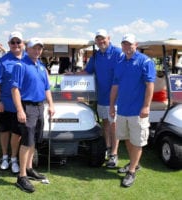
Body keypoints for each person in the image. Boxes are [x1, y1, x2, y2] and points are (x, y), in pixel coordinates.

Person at [110, 33, 156, 187]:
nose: (127, 47)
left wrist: (146, 106)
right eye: (124, 44)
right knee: (127, 138)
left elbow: (150, 85)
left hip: (138, 111)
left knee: (137, 141)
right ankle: (133, 164)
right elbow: (115, 86)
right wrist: (111, 105)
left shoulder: (145, 61)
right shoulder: (120, 61)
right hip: (122, 109)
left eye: (130, 44)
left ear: (136, 44)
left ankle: (131, 172)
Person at [11, 38, 55, 193]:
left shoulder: (41, 67)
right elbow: (15, 90)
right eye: (34, 48)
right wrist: (20, 110)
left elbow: (46, 88)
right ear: (27, 49)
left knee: (34, 140)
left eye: (39, 48)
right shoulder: (20, 65)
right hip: (27, 107)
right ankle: (21, 176)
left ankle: (29, 169)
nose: (37, 51)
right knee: (26, 141)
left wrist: (51, 104)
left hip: (39, 107)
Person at [75, 29, 123, 168]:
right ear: (95, 41)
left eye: (103, 39)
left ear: (108, 38)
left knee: (114, 126)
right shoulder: (96, 56)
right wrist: (72, 75)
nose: (101, 41)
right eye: (98, 39)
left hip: (116, 97)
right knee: (105, 124)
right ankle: (107, 149)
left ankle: (114, 154)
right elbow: (87, 71)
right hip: (101, 96)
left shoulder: (117, 53)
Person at [0, 31, 26, 173]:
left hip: (22, 105)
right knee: (4, 131)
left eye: (18, 42)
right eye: (13, 42)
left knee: (17, 133)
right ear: (9, 44)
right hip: (5, 103)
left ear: (22, 44)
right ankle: (5, 156)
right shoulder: (2, 61)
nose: (16, 45)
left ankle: (14, 158)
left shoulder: (29, 59)